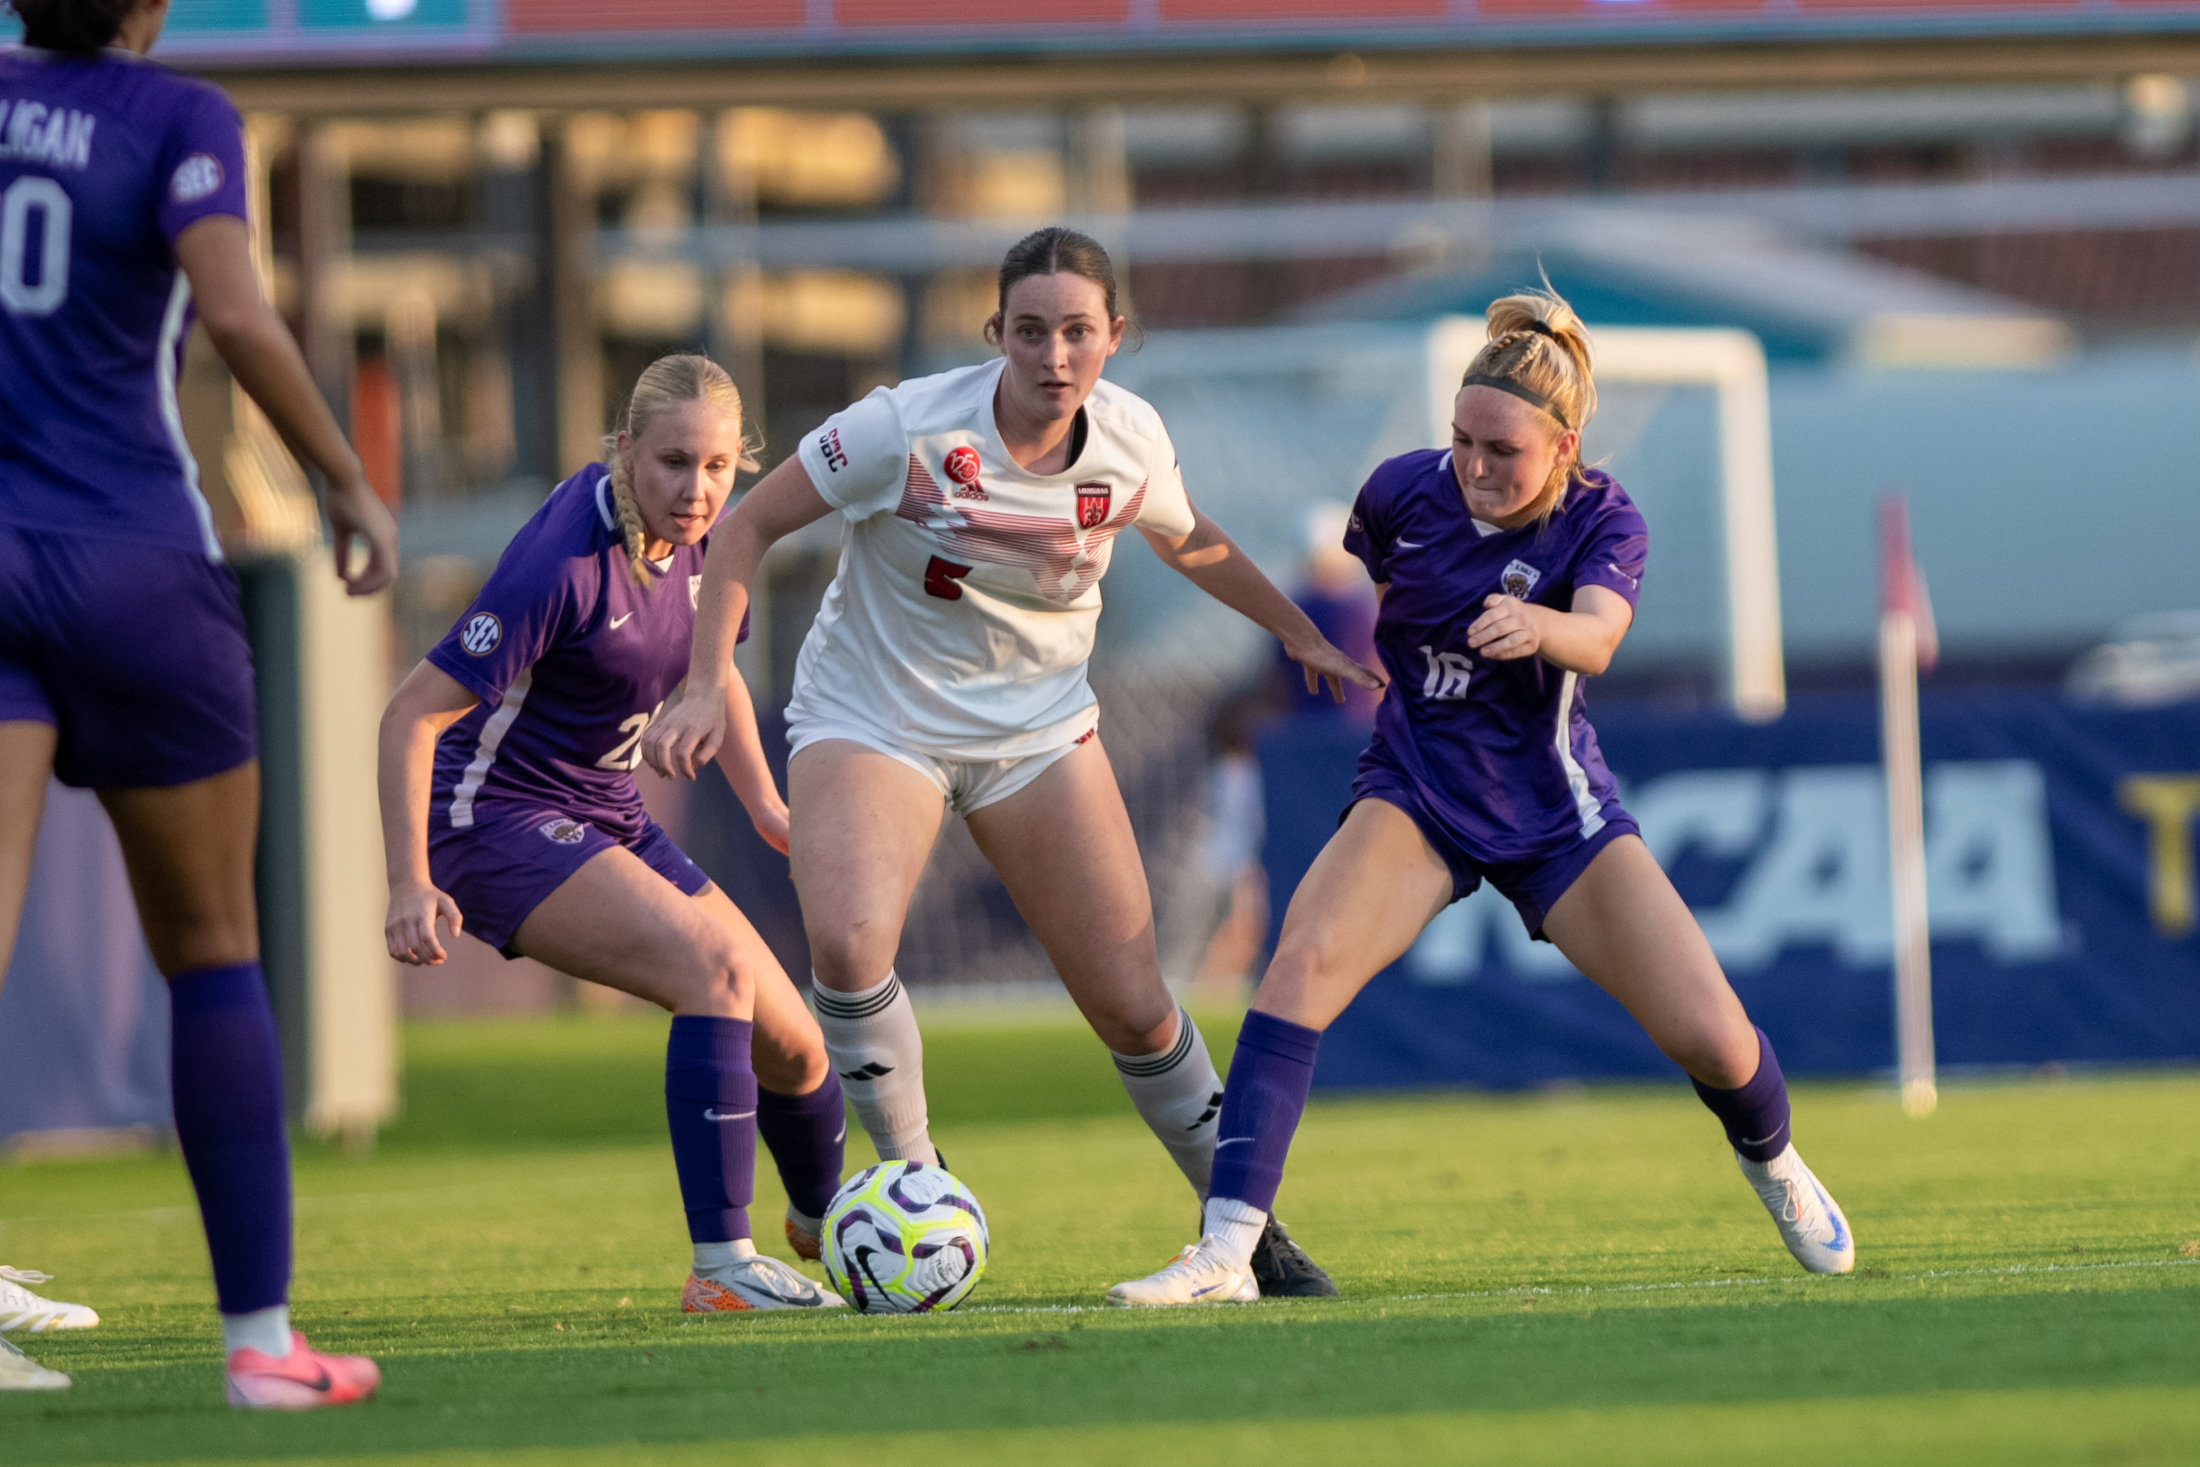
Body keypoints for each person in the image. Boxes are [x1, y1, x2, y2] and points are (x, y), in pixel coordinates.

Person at [643, 227, 1382, 1298]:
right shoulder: (902, 427)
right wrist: (710, 677)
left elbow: (1189, 537)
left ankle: (1246, 1237)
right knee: (848, 947)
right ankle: (913, 1177)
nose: (1052, 355)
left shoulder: (1130, 441)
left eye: (1077, 331)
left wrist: (1300, 631)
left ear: (1113, 339)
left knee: (1134, 1005)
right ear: (995, 334)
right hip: (874, 715)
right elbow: (750, 526)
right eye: (1029, 331)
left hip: (1038, 733)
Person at [1108, 288, 1855, 1308]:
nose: (1473, 465)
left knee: (1715, 1040)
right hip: (1417, 789)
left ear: (1563, 446)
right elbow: (1360, 588)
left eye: (1501, 449)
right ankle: (1225, 1253)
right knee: (1298, 969)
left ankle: (1774, 1166)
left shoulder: (1603, 516)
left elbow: (1596, 636)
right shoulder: (1399, 495)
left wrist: (1536, 629)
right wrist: (1313, 636)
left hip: (1555, 816)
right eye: (1461, 439)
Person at [0, 0, 399, 1402]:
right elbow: (230, 308)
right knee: (214, 945)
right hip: (132, 556)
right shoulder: (178, 117)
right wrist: (345, 478)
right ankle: (256, 1345)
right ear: (150, 7)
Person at [379, 354, 847, 1317]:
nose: (697, 488)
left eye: (718, 466)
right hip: (492, 815)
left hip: (608, 813)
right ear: (625, 450)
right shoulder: (562, 561)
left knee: (800, 1049)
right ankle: (721, 1265)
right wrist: (407, 881)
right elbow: (409, 716)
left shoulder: (716, 544)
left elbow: (716, 681)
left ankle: (838, 1230)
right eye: (673, 461)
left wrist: (765, 807)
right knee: (712, 970)